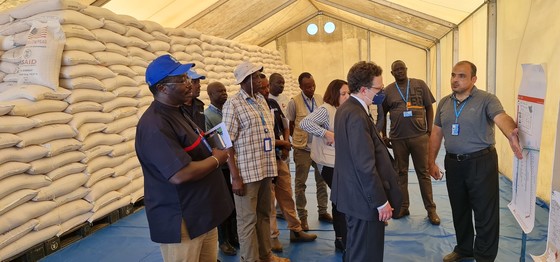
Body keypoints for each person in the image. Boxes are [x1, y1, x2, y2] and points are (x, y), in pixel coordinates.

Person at [135, 54, 233, 262]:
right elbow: (179, 174)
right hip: (182, 219)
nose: (189, 84)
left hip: (201, 213)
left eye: (187, 78)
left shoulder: (179, 111)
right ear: (162, 88)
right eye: (181, 80)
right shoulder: (155, 125)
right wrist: (217, 159)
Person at [429, 60, 523, 262]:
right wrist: (431, 162)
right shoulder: (445, 103)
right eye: (453, 75)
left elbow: (501, 118)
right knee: (459, 208)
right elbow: (436, 133)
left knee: (484, 212)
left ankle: (484, 257)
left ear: (473, 79)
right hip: (453, 163)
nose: (455, 79)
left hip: (481, 162)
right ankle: (464, 249)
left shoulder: (487, 99)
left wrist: (511, 134)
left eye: (461, 76)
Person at [332, 61, 403, 262]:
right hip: (363, 200)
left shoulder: (347, 109)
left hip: (352, 195)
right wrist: (380, 202)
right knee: (367, 254)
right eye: (378, 89)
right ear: (364, 90)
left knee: (356, 250)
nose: (381, 93)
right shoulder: (356, 115)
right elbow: (364, 165)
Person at [222, 61, 289, 262]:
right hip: (247, 173)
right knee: (247, 221)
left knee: (263, 215)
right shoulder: (232, 105)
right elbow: (227, 144)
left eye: (260, 76)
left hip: (265, 169)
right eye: (256, 76)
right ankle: (251, 259)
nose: (261, 80)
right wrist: (235, 177)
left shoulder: (261, 100)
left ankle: (266, 255)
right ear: (244, 80)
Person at [257, 73, 317, 252]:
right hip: (262, 160)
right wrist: (283, 143)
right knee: (269, 199)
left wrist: (284, 143)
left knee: (286, 194)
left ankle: (295, 230)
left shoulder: (273, 104)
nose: (267, 91)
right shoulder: (252, 108)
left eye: (268, 87)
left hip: (277, 157)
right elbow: (259, 137)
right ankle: (273, 236)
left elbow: (284, 124)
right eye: (263, 88)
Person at [381, 60, 440, 225]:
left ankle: (431, 210)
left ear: (406, 69)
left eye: (402, 68)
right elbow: (382, 113)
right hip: (398, 139)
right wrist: (383, 134)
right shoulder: (388, 91)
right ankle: (403, 207)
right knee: (401, 174)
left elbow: (429, 107)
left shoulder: (419, 84)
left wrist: (429, 130)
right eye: (396, 70)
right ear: (392, 73)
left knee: (424, 173)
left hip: (419, 137)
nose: (400, 71)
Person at [300, 79, 350, 252]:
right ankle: (341, 238)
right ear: (334, 94)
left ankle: (344, 236)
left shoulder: (343, 110)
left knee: (342, 198)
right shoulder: (326, 109)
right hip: (327, 163)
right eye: (343, 93)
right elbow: (304, 123)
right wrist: (325, 133)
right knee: (339, 198)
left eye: (348, 93)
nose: (347, 96)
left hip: (340, 161)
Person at [286, 72, 332, 230]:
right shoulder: (294, 102)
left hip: (319, 148)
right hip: (303, 149)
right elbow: (291, 123)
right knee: (300, 183)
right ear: (300, 87)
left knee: (322, 180)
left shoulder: (320, 99)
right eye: (307, 87)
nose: (311, 89)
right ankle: (303, 216)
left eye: (313, 85)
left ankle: (323, 211)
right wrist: (296, 140)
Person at [204, 81, 239, 256]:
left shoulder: (229, 111)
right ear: (210, 95)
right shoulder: (208, 116)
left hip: (234, 163)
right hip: (221, 168)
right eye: (219, 91)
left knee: (233, 204)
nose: (224, 93)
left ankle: (234, 236)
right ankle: (223, 240)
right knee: (223, 205)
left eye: (225, 90)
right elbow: (210, 143)